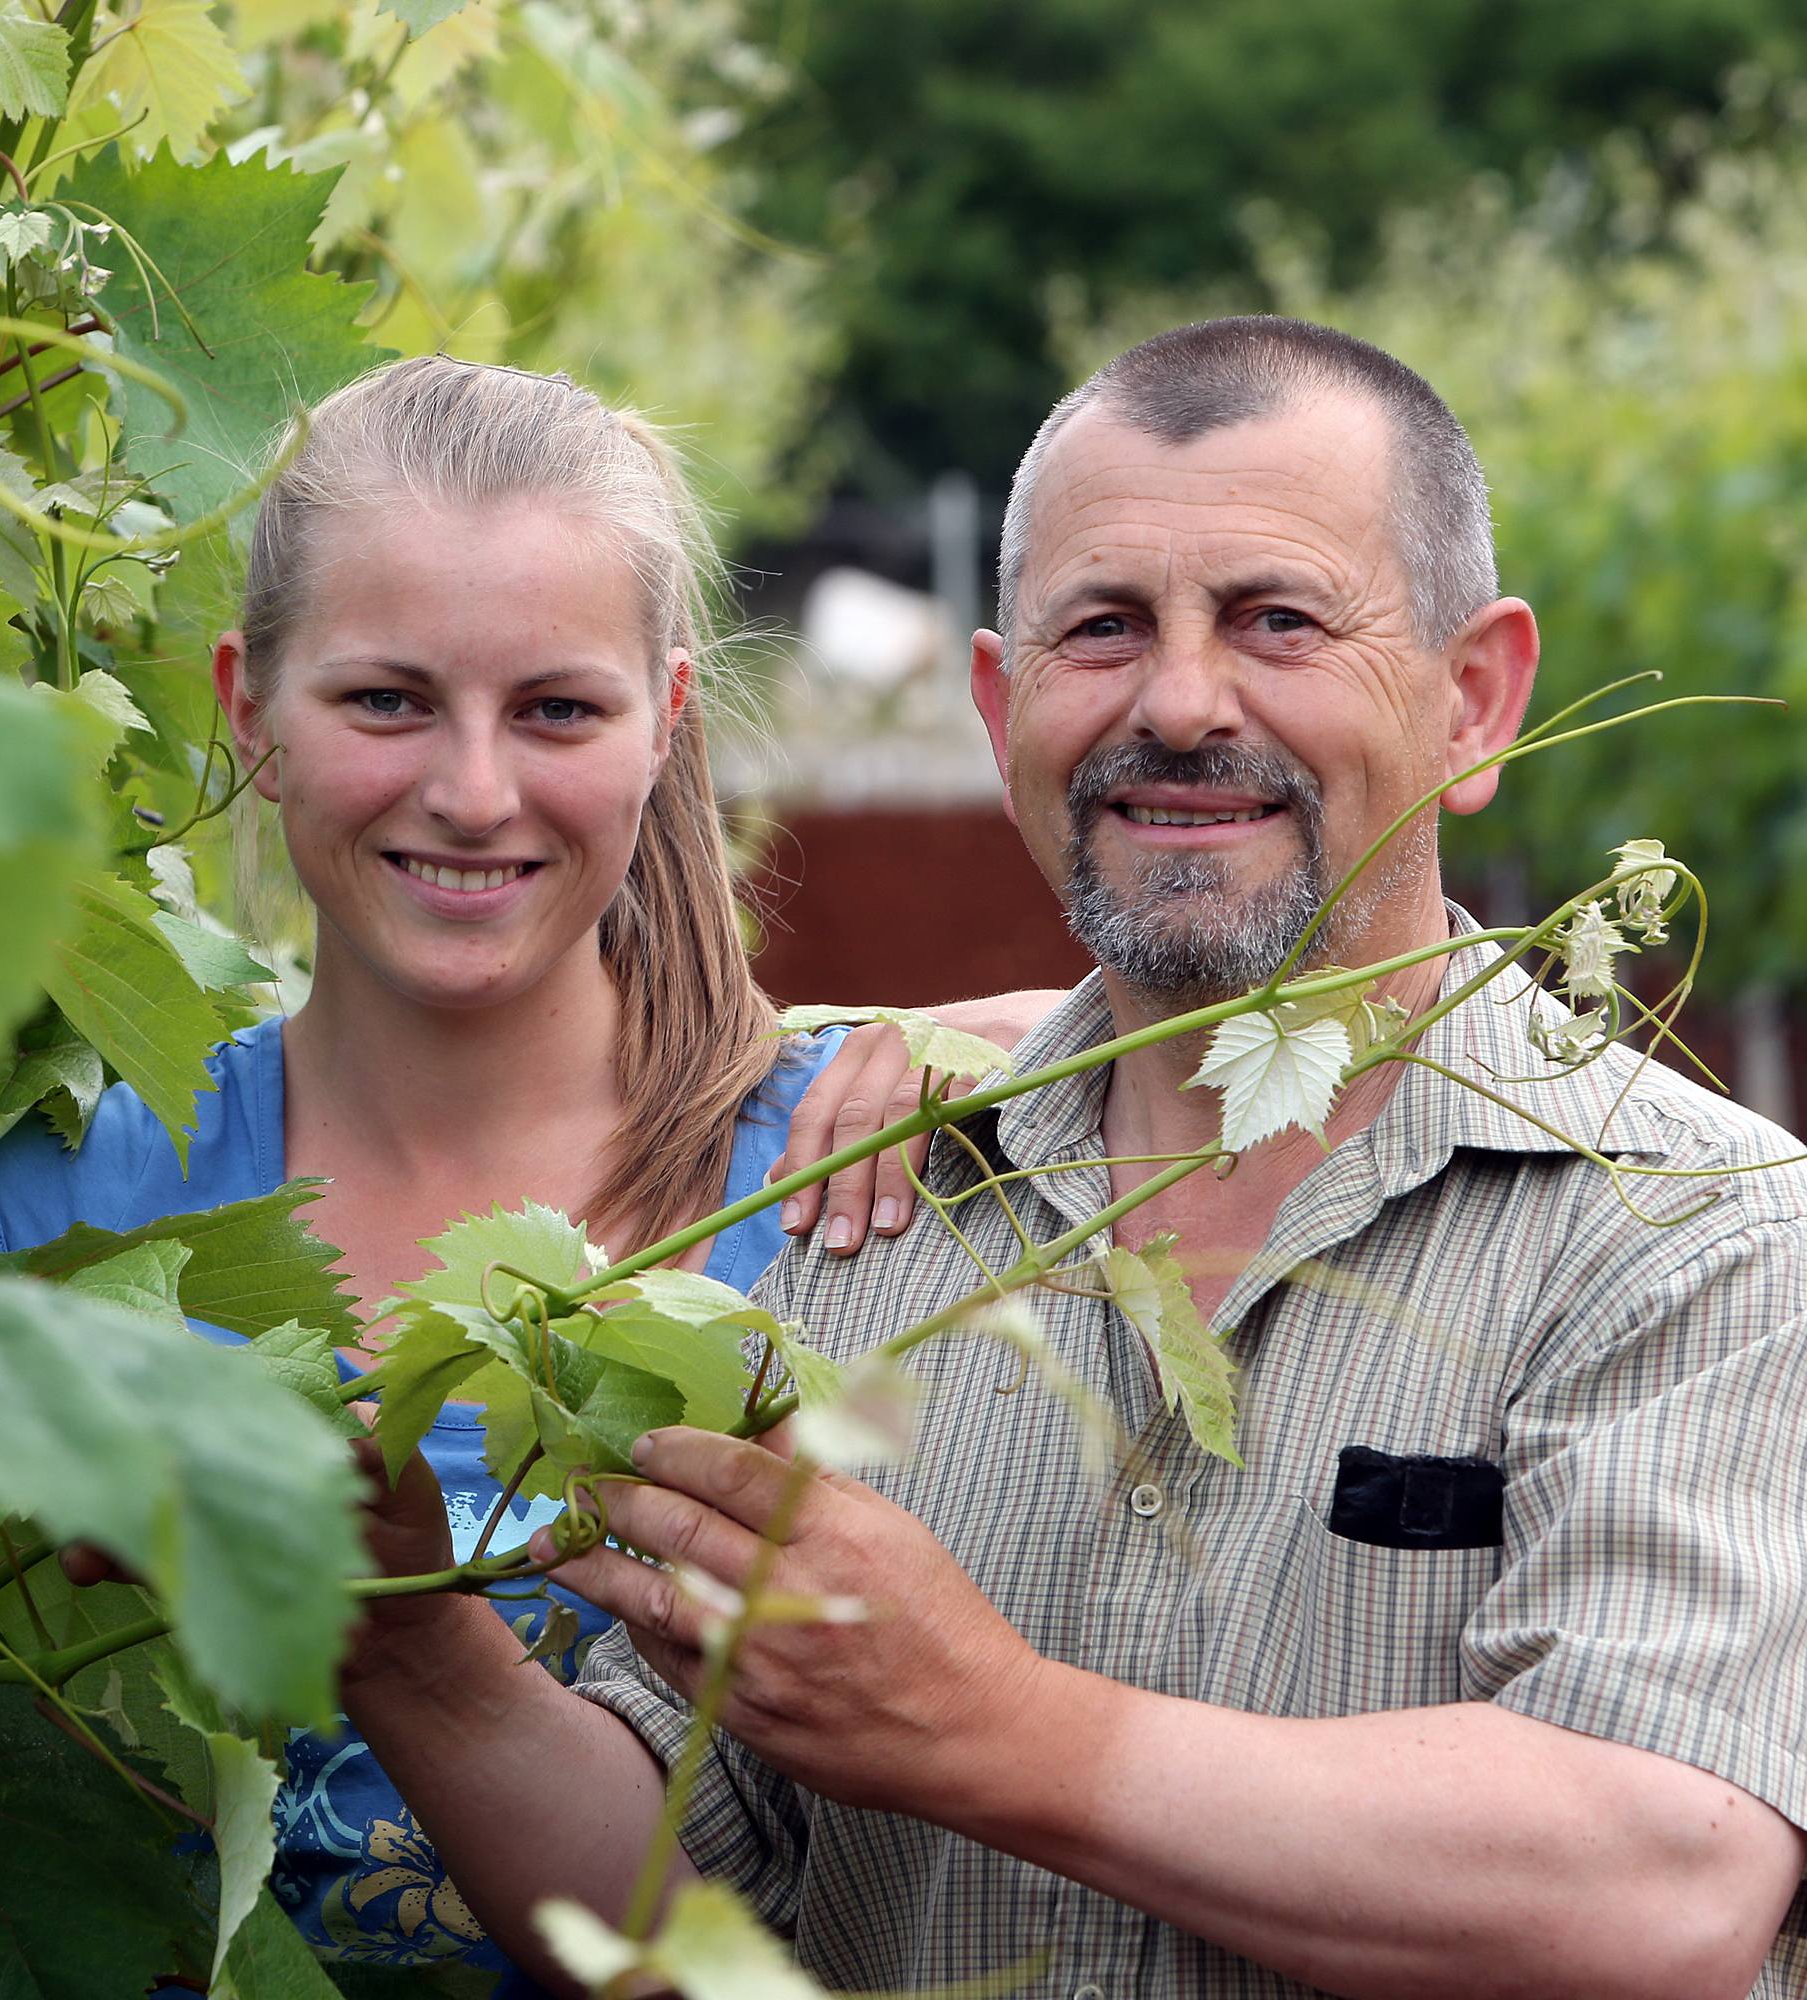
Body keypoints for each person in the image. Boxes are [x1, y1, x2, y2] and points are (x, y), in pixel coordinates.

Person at [339, 319, 1807, 1999]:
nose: (1181, 703)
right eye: (1102, 629)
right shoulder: (859, 1211)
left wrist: (999, 1730)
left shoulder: (1698, 1230)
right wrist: (407, 1646)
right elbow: (690, 1928)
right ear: (1000, 703)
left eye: (1278, 620)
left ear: (1472, 701)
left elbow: (1666, 1883)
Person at [0, 356, 1054, 1976]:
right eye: (387, 700)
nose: (474, 790)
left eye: (558, 710)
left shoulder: (852, 1192)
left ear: (670, 723)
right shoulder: (31, 1214)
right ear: (247, 713)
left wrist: (1050, 1049)